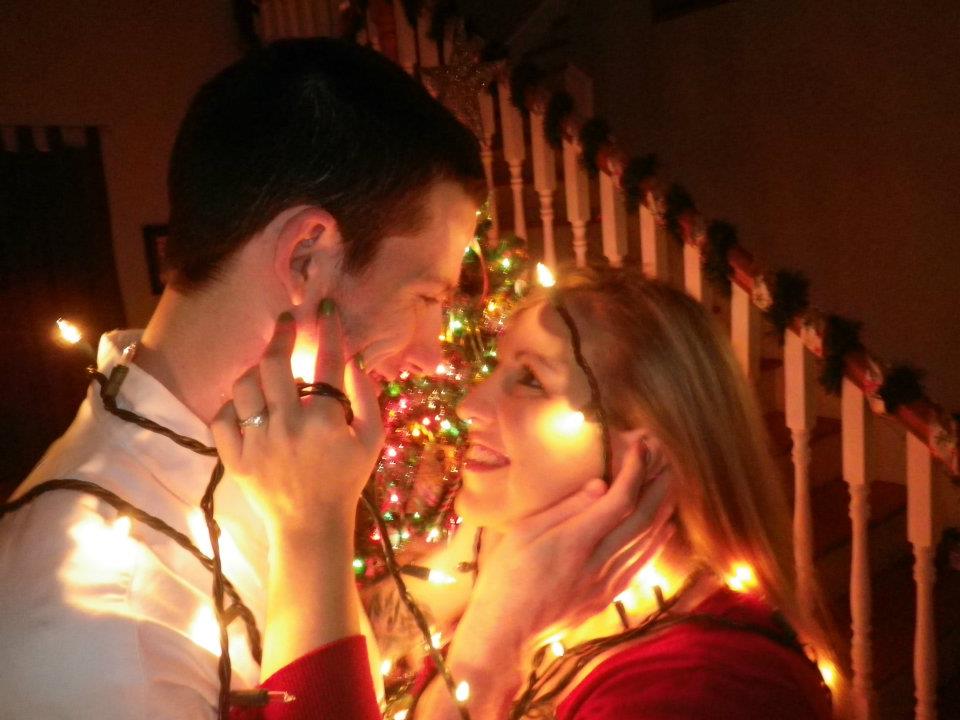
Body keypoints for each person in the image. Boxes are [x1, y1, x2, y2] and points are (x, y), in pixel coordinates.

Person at [0, 37, 488, 719]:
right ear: (306, 257)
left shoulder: (275, 460)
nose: (434, 355)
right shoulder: (105, 620)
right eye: (425, 297)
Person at [412, 266, 838, 719]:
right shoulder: (524, 598)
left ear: (647, 455)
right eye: (497, 368)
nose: (469, 406)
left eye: (532, 379)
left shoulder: (703, 691)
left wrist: (485, 656)